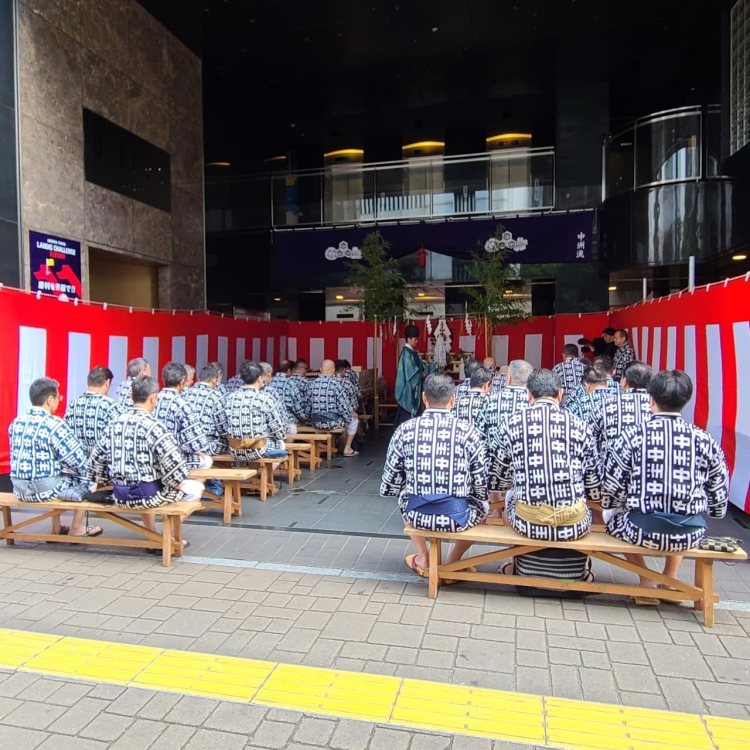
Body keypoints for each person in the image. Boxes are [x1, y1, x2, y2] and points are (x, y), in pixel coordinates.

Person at [601, 370, 729, 595]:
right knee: (680, 511)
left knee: (609, 513)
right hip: (690, 532)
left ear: (651, 400)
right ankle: (670, 578)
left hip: (640, 528)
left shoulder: (634, 436)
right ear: (685, 401)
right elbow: (719, 501)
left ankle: (646, 578)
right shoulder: (705, 440)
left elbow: (611, 491)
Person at [380, 373, 488, 577]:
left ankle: (423, 556)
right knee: (483, 507)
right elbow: (481, 484)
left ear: (423, 398)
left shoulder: (405, 430)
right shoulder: (468, 432)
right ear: (453, 399)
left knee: (404, 494)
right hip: (458, 517)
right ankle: (453, 561)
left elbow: (388, 486)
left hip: (416, 516)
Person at [490, 369, 602, 543]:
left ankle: (515, 563)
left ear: (528, 394)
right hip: (574, 522)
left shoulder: (511, 424)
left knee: (510, 499)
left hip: (526, 521)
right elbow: (594, 485)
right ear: (560, 394)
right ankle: (583, 568)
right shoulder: (580, 426)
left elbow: (498, 481)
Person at [89, 376, 204, 539]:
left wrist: (108, 480)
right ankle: (165, 536)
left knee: (148, 481)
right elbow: (175, 469)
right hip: (148, 496)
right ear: (152, 398)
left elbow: (95, 462)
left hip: (119, 494)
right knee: (196, 489)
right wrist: (174, 482)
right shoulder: (154, 426)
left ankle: (151, 533)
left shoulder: (114, 424)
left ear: (131, 397)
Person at [9, 377, 101, 538]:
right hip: (44, 489)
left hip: (19, 488)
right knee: (90, 477)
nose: (59, 401)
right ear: (50, 400)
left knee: (59, 474)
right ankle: (77, 527)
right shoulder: (54, 424)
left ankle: (56, 527)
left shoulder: (16, 422)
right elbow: (78, 460)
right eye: (58, 397)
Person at [153, 362, 212, 470]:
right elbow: (198, 444)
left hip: (152, 457)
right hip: (173, 459)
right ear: (182, 382)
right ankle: (189, 486)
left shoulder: (152, 400)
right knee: (207, 460)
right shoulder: (183, 405)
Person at [225, 361, 288, 461]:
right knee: (281, 443)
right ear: (259, 379)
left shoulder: (229, 398)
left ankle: (256, 472)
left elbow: (225, 427)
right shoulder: (265, 398)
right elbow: (279, 432)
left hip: (235, 450)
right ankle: (265, 475)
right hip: (259, 450)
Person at [591, 360, 653, 460]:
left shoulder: (607, 405)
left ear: (623, 381)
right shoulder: (655, 407)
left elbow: (590, 436)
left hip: (611, 468)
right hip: (647, 469)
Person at [65, 366, 126, 456]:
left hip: (78, 463)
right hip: (103, 466)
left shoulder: (72, 405)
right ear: (107, 383)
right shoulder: (112, 407)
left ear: (88, 382)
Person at [310, 360, 359, 457]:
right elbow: (344, 408)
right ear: (333, 371)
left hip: (315, 422)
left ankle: (322, 447)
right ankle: (347, 448)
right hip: (333, 422)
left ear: (320, 370)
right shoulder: (336, 385)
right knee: (354, 420)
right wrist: (350, 415)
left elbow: (307, 406)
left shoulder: (311, 384)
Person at [476, 359, 533, 439]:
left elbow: (479, 433)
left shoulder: (490, 399)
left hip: (494, 450)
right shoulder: (533, 402)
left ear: (508, 377)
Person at [182, 364, 229, 457]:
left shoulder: (185, 394)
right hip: (208, 446)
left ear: (199, 378)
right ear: (214, 381)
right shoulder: (216, 396)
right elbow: (223, 429)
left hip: (186, 446)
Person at [395, 325, 426, 426]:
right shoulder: (406, 354)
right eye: (415, 339)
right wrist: (421, 374)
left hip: (413, 389)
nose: (417, 341)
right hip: (408, 390)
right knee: (407, 418)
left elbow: (420, 365)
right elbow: (410, 373)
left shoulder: (411, 352)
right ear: (409, 339)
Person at [282, 360, 312, 425]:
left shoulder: (287, 381)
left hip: (283, 417)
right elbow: (309, 402)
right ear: (302, 369)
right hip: (298, 419)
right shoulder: (307, 382)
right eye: (306, 369)